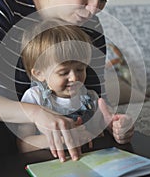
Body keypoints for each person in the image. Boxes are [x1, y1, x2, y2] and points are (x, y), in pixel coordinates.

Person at [0, 0, 134, 166]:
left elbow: (94, 98)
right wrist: (37, 113)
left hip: (60, 128)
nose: (94, 9)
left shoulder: (91, 28)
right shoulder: (3, 4)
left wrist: (114, 125)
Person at [18, 20, 103, 153]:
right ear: (40, 74)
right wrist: (61, 139)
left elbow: (99, 134)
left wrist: (112, 126)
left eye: (80, 69)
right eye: (63, 72)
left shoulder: (90, 98)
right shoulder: (35, 98)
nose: (74, 78)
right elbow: (23, 144)